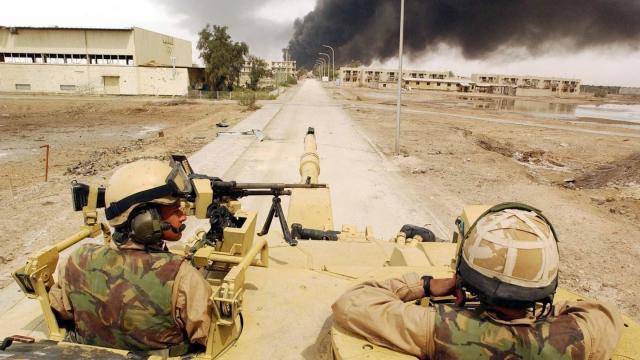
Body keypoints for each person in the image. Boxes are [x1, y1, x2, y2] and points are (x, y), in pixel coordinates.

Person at [332, 203, 623, 359]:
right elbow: (603, 314)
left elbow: (352, 304)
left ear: (464, 283)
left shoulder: (437, 329)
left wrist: (425, 285)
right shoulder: (581, 338)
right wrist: (545, 311)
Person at [48, 159, 212, 355]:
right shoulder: (183, 275)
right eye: (174, 209)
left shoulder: (77, 259)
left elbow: (60, 309)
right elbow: (207, 335)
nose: (183, 216)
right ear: (146, 218)